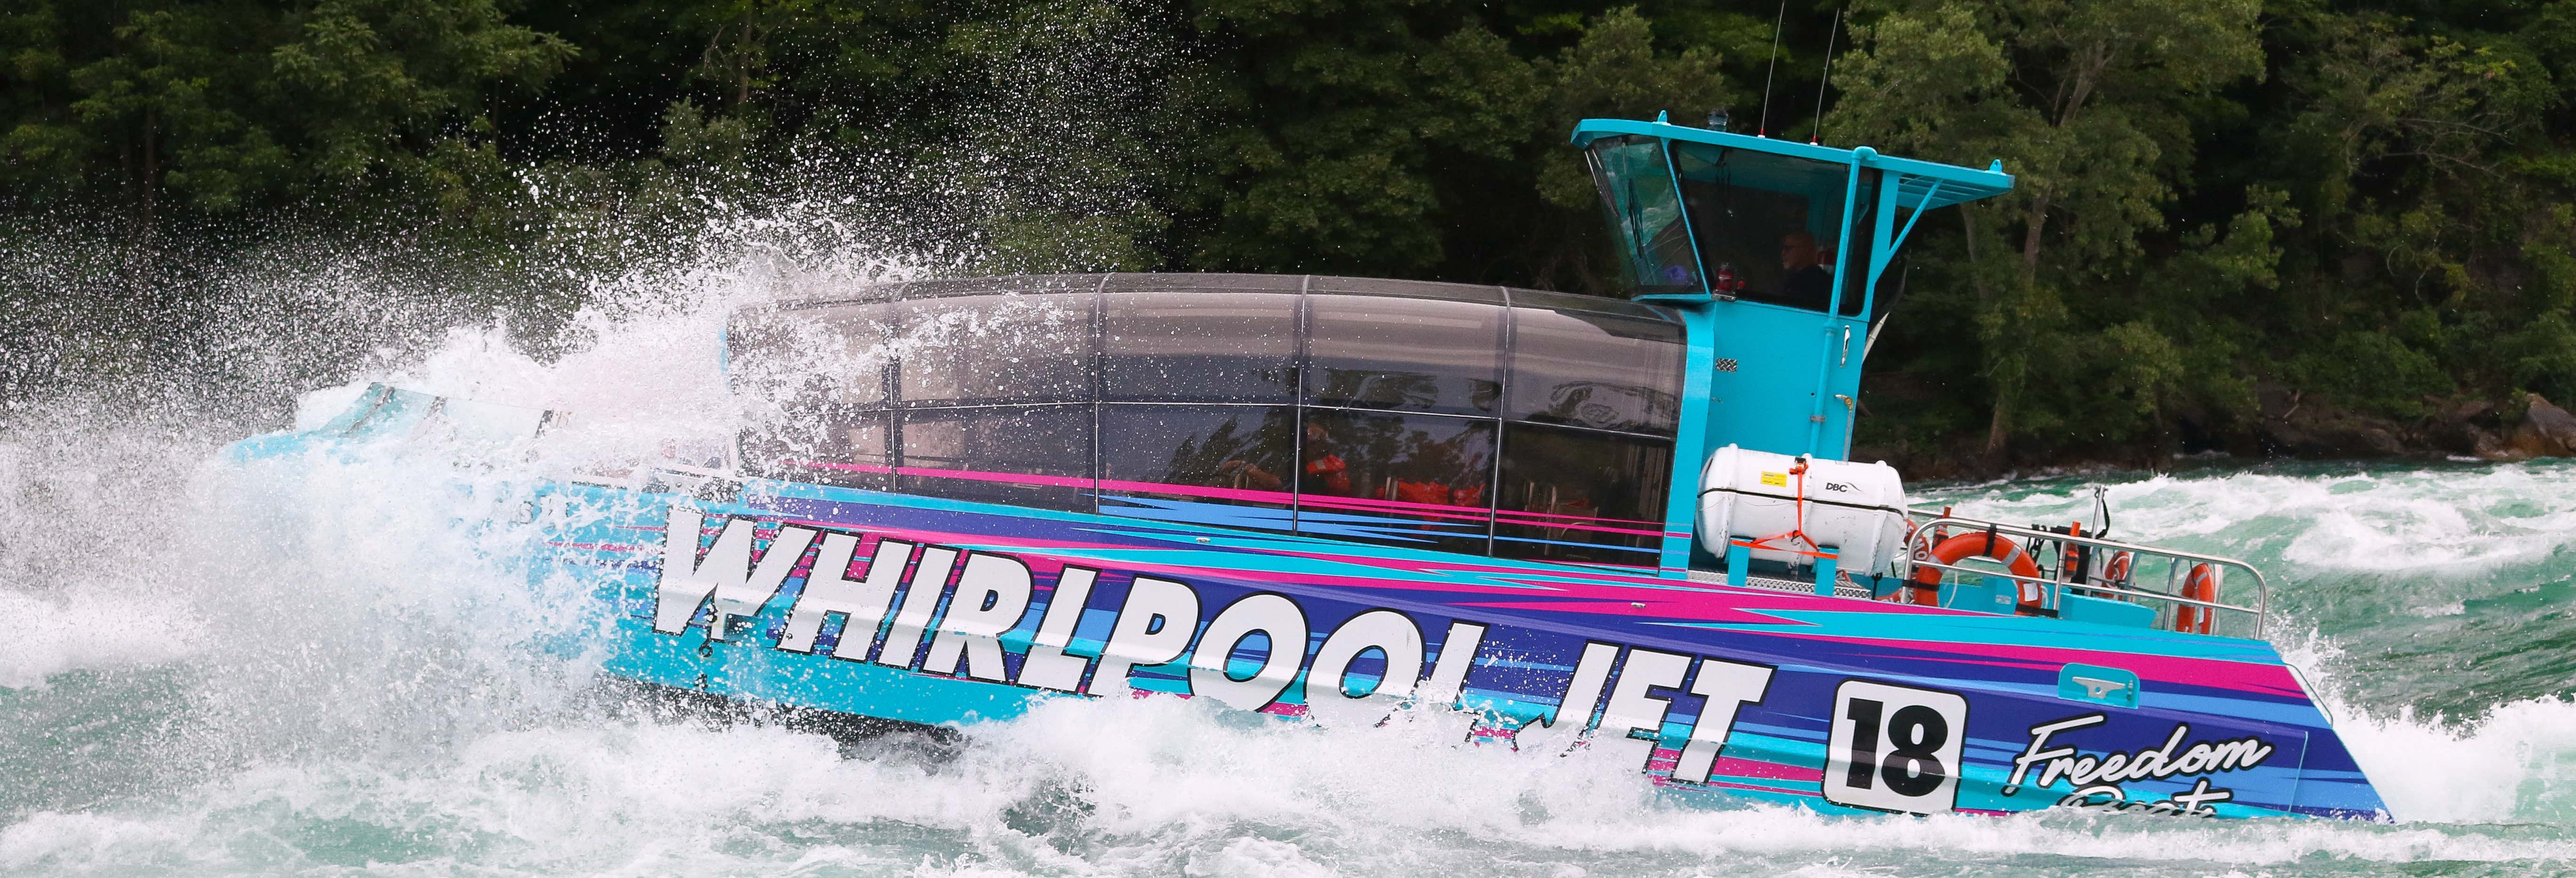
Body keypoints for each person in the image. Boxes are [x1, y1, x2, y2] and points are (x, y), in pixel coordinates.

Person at [1779, 230, 1834, 311]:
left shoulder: (1815, 283)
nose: (1783, 253)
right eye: (1783, 248)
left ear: (1806, 250)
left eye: (1788, 248)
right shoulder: (1792, 278)